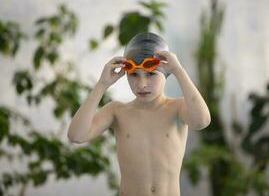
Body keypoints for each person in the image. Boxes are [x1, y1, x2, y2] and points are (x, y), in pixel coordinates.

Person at [67, 32, 211, 196]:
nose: (142, 84)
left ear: (166, 73)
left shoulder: (177, 108)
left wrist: (179, 70)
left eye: (151, 74)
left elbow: (202, 121)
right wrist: (102, 84)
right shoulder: (117, 111)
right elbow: (76, 135)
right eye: (134, 75)